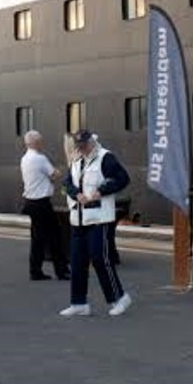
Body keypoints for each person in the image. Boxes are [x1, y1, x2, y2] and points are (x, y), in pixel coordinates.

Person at [59, 130, 132, 317]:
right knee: (77, 261)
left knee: (101, 259)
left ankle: (119, 298)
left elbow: (122, 179)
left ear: (91, 142)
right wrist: (76, 193)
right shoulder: (76, 160)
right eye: (79, 146)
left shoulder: (105, 158)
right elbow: (67, 183)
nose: (81, 149)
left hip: (99, 218)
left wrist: (102, 190)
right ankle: (79, 303)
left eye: (84, 145)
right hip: (78, 219)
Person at [20, 130, 69, 281]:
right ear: (36, 143)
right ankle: (61, 271)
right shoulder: (40, 158)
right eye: (40, 141)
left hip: (30, 202)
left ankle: (35, 271)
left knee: (38, 238)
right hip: (41, 203)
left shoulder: (25, 159)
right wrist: (57, 173)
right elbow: (54, 174)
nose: (42, 143)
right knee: (55, 236)